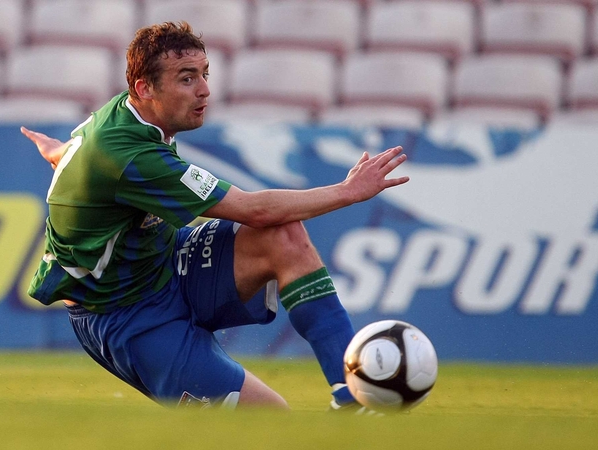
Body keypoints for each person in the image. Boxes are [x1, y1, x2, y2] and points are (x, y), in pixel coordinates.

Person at [21, 21, 409, 410]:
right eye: (187, 78)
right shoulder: (128, 156)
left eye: (204, 74)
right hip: (125, 318)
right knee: (272, 420)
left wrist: (61, 153)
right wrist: (347, 192)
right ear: (144, 88)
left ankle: (353, 398)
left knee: (284, 235)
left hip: (166, 265)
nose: (204, 89)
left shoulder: (127, 120)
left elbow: (82, 153)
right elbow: (253, 210)